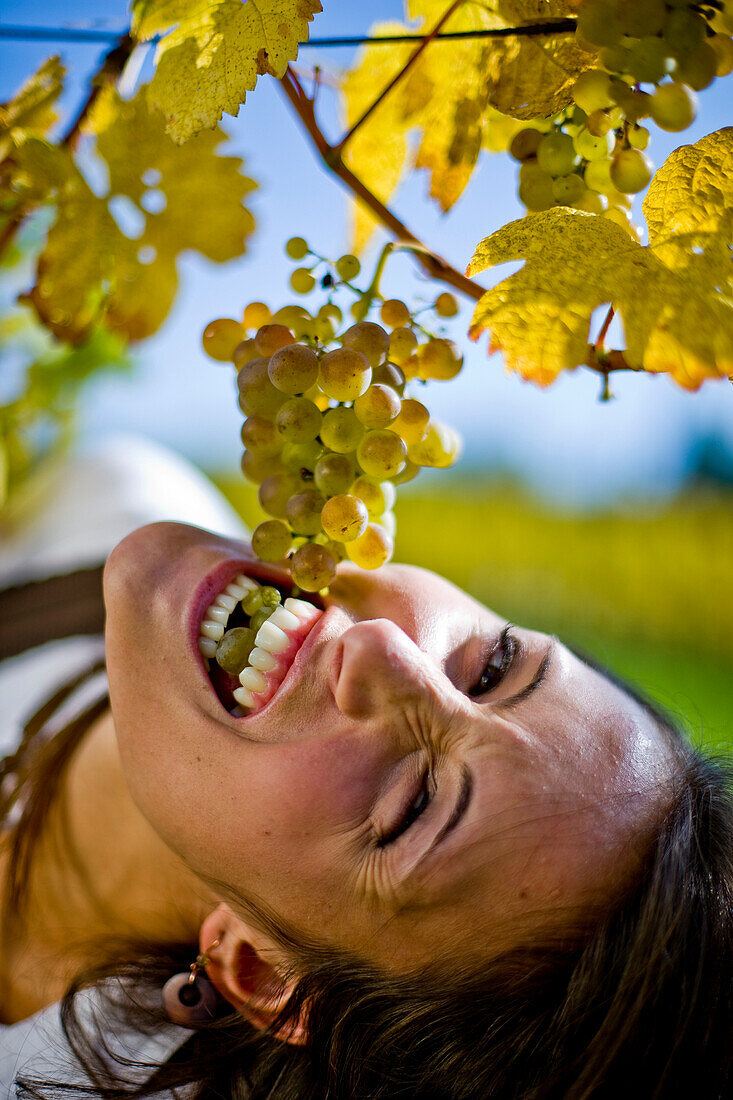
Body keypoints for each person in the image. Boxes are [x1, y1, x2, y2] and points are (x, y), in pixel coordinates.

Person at [0, 435, 731, 1099]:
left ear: (265, 977)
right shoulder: (86, 489)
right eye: (493, 667)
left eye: (414, 805)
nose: (381, 648)